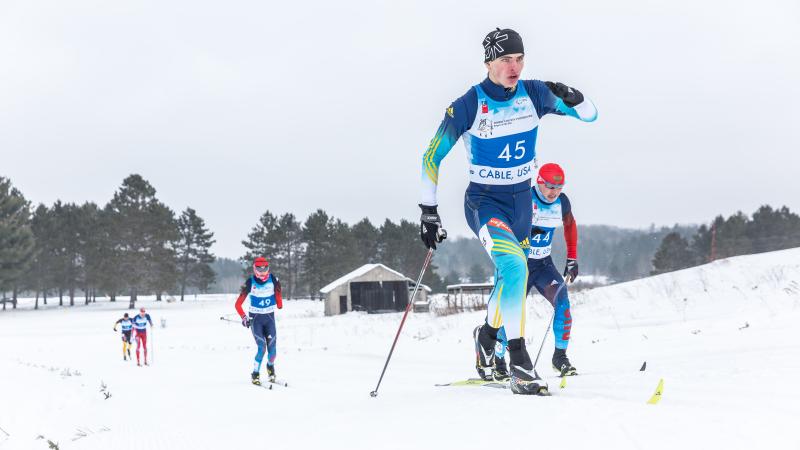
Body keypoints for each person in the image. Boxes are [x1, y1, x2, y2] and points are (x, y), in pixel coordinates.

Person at [419, 28, 596, 395]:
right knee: (516, 267)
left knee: (507, 277)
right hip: (485, 203)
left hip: (521, 207)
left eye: (518, 59)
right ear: (488, 63)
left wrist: (572, 96)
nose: (513, 67)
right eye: (504, 60)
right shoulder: (470, 103)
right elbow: (431, 156)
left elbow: (590, 115)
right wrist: (429, 211)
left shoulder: (534, 93)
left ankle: (486, 337)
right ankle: (518, 360)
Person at [493, 163, 580, 380]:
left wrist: (572, 258)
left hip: (542, 265)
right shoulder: (524, 198)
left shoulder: (562, 202)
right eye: (550, 186)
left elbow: (570, 226)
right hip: (518, 264)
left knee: (563, 305)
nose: (555, 192)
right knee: (509, 313)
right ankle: (498, 359)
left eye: (559, 187)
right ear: (539, 182)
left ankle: (560, 358)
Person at [234, 257, 283, 385]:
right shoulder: (250, 282)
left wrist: (278, 296)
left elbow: (279, 302)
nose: (262, 272)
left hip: (269, 319)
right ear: (254, 269)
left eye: (265, 268)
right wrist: (244, 318)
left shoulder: (273, 279)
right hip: (256, 320)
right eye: (259, 269)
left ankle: (270, 368)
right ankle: (255, 374)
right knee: (262, 348)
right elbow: (238, 305)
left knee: (273, 350)